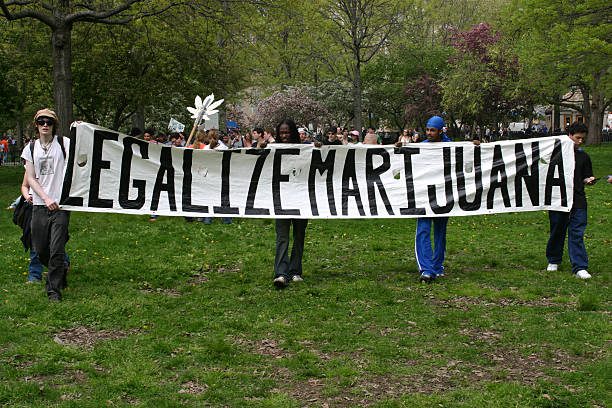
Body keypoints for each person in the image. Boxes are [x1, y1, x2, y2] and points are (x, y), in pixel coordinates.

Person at [415, 115, 478, 283]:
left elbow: (467, 157)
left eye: (432, 130)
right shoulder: (421, 147)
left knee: (440, 232)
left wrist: (474, 147)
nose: (429, 133)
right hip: (424, 197)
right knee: (423, 229)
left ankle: (437, 266)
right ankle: (426, 269)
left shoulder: (451, 147)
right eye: (427, 129)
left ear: (441, 131)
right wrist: (400, 147)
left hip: (444, 196)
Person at [21, 109, 70, 301]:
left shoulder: (64, 143)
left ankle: (53, 290)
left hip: (61, 206)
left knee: (57, 249)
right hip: (40, 205)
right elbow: (30, 179)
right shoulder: (30, 148)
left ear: (54, 125)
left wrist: (80, 129)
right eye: (41, 121)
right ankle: (60, 271)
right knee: (40, 249)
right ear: (36, 125)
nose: (45, 125)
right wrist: (45, 198)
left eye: (49, 122)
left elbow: (85, 149)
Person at [546, 122, 596, 279]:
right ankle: (554, 260)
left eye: (582, 138)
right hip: (558, 199)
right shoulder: (554, 154)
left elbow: (586, 175)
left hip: (578, 200)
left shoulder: (583, 157)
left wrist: (589, 179)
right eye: (577, 138)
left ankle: (580, 266)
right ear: (569, 136)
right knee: (557, 230)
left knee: (577, 233)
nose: (580, 141)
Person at [272, 119, 309, 289]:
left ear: (293, 132)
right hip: (281, 200)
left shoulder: (306, 150)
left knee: (299, 236)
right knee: (282, 237)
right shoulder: (272, 150)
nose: (284, 136)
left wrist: (319, 147)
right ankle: (281, 273)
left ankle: (295, 271)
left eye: (287, 132)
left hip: (302, 199)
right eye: (281, 133)